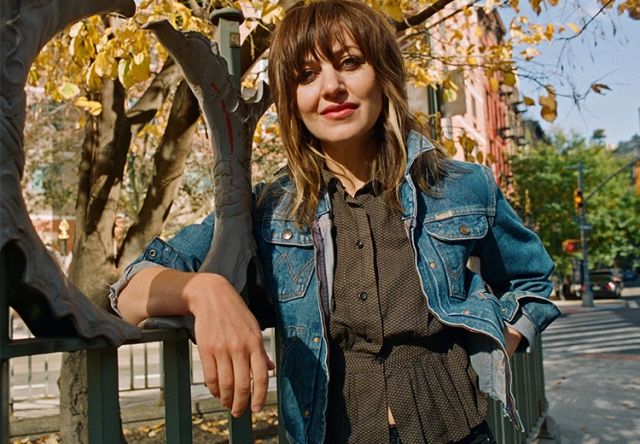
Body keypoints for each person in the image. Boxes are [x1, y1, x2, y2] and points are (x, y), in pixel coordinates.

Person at [111, 1, 561, 443]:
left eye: (350, 62)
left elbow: (532, 279)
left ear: (382, 75)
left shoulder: (461, 186)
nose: (331, 87)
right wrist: (204, 291)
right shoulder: (268, 209)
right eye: (306, 75)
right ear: (292, 100)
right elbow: (128, 291)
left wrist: (500, 341)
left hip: (456, 432)